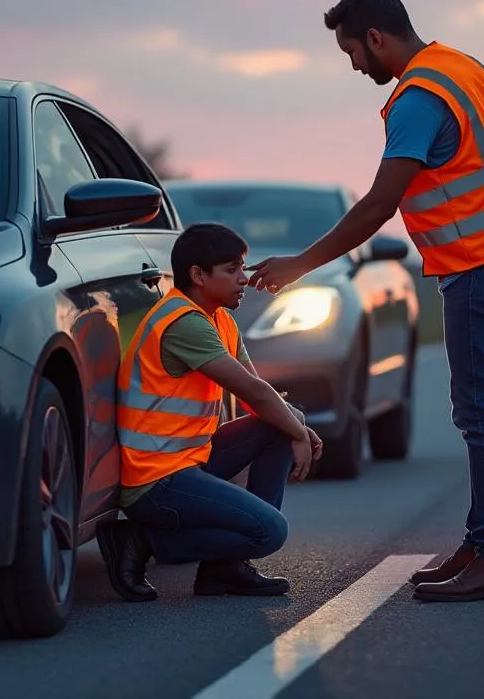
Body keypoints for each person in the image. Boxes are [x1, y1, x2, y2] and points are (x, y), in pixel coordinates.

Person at [246, 0, 484, 602]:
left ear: (377, 38)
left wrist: (301, 264)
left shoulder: (419, 97)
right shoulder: (462, 67)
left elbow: (378, 206)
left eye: (352, 51)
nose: (355, 65)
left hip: (483, 266)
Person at [98, 222, 324, 602]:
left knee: (283, 422)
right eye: (232, 270)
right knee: (270, 532)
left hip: (192, 460)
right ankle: (142, 539)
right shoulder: (183, 322)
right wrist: (300, 432)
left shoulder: (221, 320)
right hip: (155, 480)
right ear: (198, 275)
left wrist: (297, 426)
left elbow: (259, 398)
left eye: (243, 268)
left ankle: (225, 569)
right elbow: (253, 390)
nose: (243, 279)